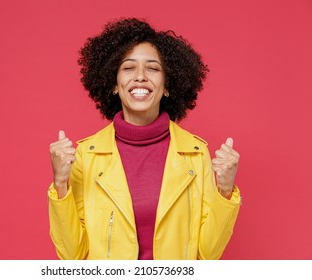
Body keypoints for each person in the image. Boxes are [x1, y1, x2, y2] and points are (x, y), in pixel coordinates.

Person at [48, 18, 241, 260]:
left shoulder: (195, 153)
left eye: (153, 68)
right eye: (128, 68)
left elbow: (207, 254)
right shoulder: (86, 156)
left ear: (167, 85)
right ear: (114, 84)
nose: (140, 76)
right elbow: (72, 256)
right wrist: (60, 184)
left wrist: (224, 190)